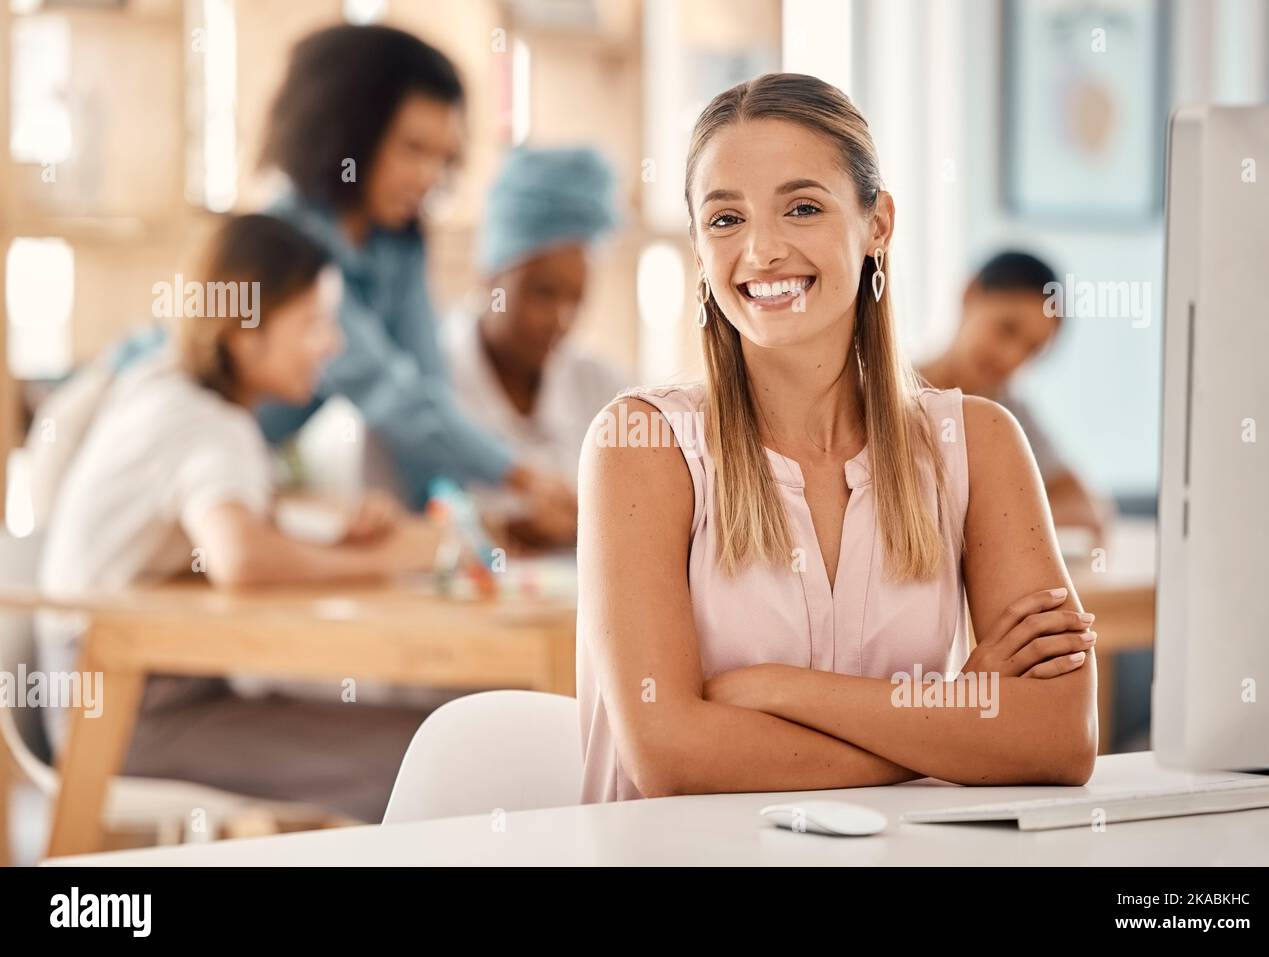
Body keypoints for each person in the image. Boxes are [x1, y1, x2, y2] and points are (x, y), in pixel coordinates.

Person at [576, 74, 1099, 803]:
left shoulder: (979, 442)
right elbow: (669, 756)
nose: (762, 251)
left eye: (802, 207)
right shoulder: (640, 444)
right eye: (725, 220)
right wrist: (952, 723)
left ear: (877, 222)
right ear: (698, 247)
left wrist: (776, 691)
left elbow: (1056, 738)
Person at [37, 215, 446, 822]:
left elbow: (232, 522)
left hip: (116, 692)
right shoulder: (207, 423)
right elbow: (239, 557)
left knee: (424, 739)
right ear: (244, 335)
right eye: (313, 324)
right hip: (123, 713)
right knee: (431, 754)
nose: (334, 345)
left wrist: (333, 535)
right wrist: (384, 558)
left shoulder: (164, 387)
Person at [257, 24, 574, 520]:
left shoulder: (399, 244)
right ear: (348, 135)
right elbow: (387, 392)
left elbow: (427, 390)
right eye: (413, 149)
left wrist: (449, 517)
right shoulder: (284, 241)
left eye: (442, 157)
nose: (429, 178)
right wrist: (520, 475)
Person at [443, 146, 629, 549]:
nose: (560, 320)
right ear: (490, 276)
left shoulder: (606, 389)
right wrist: (506, 531)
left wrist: (586, 522)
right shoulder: (430, 381)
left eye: (576, 298)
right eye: (542, 293)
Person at [917, 251, 1113, 543]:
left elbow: (1089, 511)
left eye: (1031, 350)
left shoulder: (1010, 412)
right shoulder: (886, 389)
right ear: (970, 294)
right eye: (1007, 329)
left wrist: (987, 523)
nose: (1012, 357)